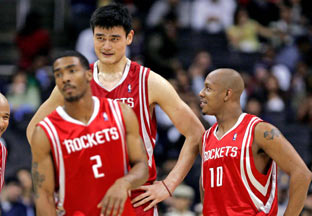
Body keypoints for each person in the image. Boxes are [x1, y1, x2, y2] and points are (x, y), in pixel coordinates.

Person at [26, 4, 204, 214]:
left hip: (136, 198)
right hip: (87, 199)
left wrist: (169, 184)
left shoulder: (149, 82)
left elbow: (196, 133)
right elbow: (34, 130)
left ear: (129, 37)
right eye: (100, 38)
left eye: (114, 38)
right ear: (92, 37)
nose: (106, 46)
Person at [30, 50, 149, 216]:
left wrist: (124, 183)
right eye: (58, 74)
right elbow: (44, 196)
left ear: (88, 75)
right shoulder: (45, 132)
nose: (65, 78)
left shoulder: (121, 112)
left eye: (72, 71)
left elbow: (142, 166)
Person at [199, 68, 312, 215]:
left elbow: (302, 174)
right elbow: (206, 188)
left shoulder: (259, 131)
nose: (201, 93)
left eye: (208, 88)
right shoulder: (206, 138)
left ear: (227, 94)